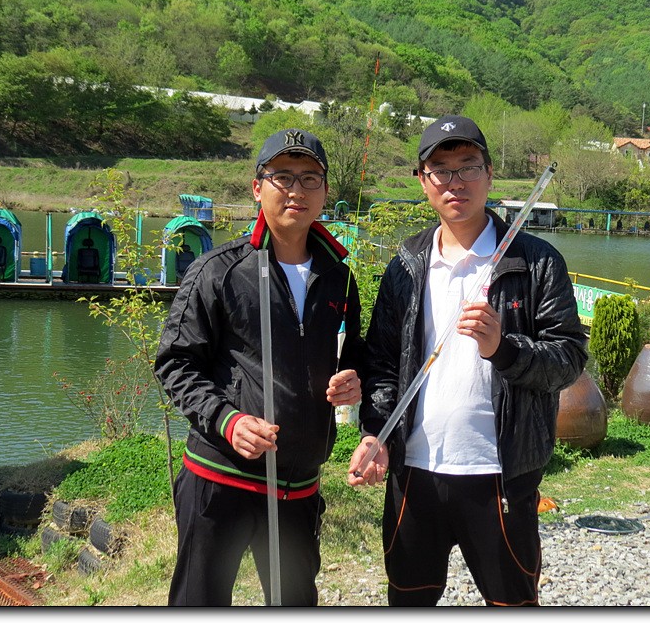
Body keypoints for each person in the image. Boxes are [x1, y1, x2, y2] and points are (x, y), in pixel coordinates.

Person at [347, 115, 588, 606]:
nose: (455, 182)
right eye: (440, 170)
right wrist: (375, 433)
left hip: (500, 475)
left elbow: (568, 359)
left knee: (512, 603)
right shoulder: (406, 265)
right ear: (423, 181)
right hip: (414, 473)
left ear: (490, 174)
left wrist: (504, 348)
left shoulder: (536, 262)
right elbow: (383, 365)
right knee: (408, 601)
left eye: (468, 167)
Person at [155, 128, 365, 606]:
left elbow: (353, 352)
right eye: (282, 177)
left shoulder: (340, 276)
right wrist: (228, 421)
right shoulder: (217, 270)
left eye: (310, 178)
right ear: (257, 188)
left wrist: (354, 380)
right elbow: (174, 363)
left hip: (298, 487)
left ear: (324, 192)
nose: (296, 190)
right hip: (220, 476)